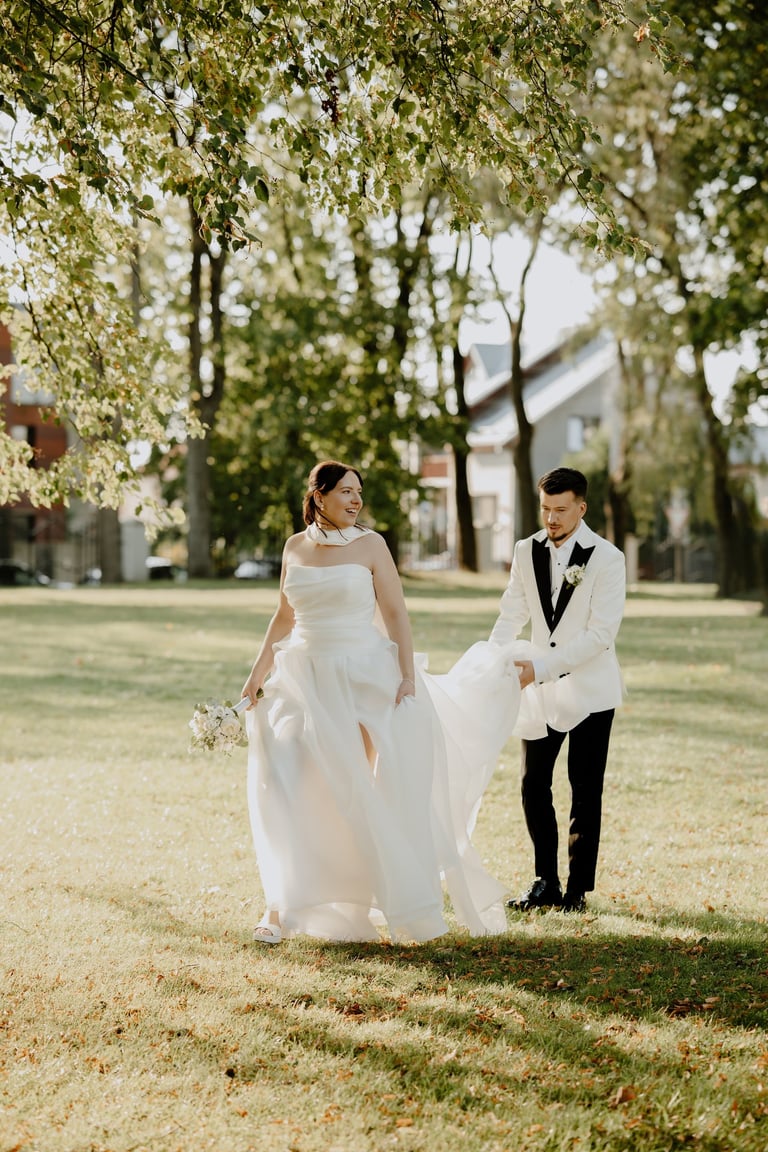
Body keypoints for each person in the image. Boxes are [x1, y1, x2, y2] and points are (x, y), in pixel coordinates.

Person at [240, 460, 522, 944]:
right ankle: (279, 906)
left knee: (351, 789)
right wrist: (256, 674)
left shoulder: (372, 546)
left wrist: (407, 676)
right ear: (319, 496)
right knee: (284, 780)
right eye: (346, 491)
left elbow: (395, 613)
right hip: (302, 678)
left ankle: (359, 900)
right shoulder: (294, 547)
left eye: (359, 492)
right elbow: (284, 615)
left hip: (361, 676)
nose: (356, 500)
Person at [488, 467, 626, 913]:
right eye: (546, 509)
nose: (551, 518)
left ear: (581, 508)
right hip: (539, 693)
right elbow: (512, 613)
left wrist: (542, 668)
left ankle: (577, 892)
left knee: (584, 790)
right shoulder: (524, 550)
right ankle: (545, 881)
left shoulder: (607, 558)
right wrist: (491, 659)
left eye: (561, 510)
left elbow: (600, 635)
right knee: (533, 785)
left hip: (590, 691)